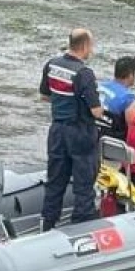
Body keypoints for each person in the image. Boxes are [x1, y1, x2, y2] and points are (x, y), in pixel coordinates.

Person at [39, 28, 105, 231]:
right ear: (85, 46)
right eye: (91, 47)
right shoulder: (84, 73)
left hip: (57, 130)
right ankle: (82, 226)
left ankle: (48, 223)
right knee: (84, 183)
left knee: (55, 180)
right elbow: (96, 112)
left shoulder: (52, 65)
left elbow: (45, 96)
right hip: (80, 133)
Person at [98, 55, 135, 140]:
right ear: (131, 75)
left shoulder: (99, 86)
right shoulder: (128, 98)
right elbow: (133, 131)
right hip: (113, 144)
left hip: (93, 136)